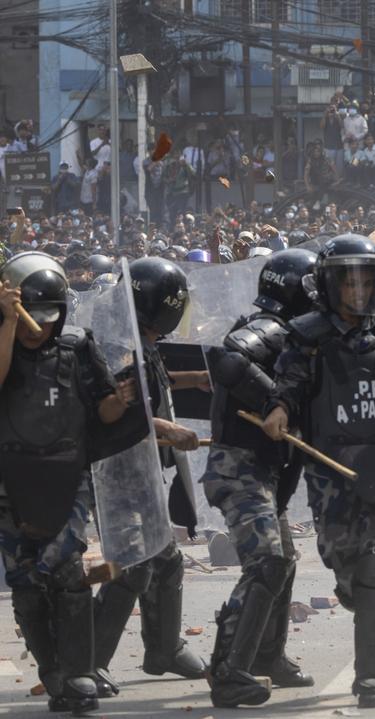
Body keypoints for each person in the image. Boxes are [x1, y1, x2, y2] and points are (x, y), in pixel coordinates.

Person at [262, 234, 375, 709]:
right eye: (350, 283)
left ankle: (372, 677)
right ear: (331, 286)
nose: (359, 291)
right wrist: (279, 410)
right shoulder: (307, 336)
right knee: (348, 570)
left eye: (367, 282)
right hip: (331, 473)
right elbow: (288, 385)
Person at [0, 253, 135, 716]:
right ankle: (53, 671)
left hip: (65, 475)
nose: (37, 327)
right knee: (26, 581)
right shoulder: (5, 340)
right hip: (10, 481)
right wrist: (7, 322)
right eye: (29, 315)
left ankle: (78, 673)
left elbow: (104, 410)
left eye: (48, 315)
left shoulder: (77, 348)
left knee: (67, 570)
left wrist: (121, 401)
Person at [202, 250, 318, 707]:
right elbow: (228, 359)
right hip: (240, 467)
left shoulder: (300, 338)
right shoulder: (270, 327)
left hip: (267, 471)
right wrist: (278, 403)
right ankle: (228, 670)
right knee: (266, 562)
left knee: (283, 560)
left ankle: (268, 656)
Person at [94, 258, 209, 698]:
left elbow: (154, 384)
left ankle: (164, 649)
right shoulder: (117, 346)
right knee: (134, 564)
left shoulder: (142, 341)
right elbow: (118, 406)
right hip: (118, 472)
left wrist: (195, 379)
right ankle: (89, 660)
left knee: (166, 559)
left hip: (143, 470)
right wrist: (169, 429)